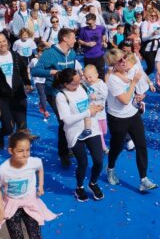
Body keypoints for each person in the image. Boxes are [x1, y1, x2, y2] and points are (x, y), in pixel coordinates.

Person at [105, 49, 158, 191]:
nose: (124, 62)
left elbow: (132, 95)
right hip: (117, 118)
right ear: (113, 65)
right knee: (116, 147)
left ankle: (143, 179)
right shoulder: (112, 79)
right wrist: (134, 83)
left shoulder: (127, 72)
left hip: (133, 114)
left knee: (141, 145)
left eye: (124, 58)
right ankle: (110, 168)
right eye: (120, 61)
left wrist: (139, 97)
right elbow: (124, 100)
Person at [0, 131, 57, 238]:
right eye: (20, 151)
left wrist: (40, 185)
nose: (25, 154)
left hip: (30, 203)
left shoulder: (34, 162)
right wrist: (1, 211)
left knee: (35, 235)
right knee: (16, 236)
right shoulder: (2, 170)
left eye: (28, 150)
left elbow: (40, 168)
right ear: (10, 151)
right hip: (11, 205)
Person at [54, 68, 105, 202]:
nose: (78, 85)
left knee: (99, 161)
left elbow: (89, 101)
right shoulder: (61, 96)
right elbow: (67, 119)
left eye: (79, 81)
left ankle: (93, 183)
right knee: (83, 163)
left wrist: (96, 105)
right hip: (75, 132)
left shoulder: (82, 87)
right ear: (65, 84)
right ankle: (79, 187)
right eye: (74, 83)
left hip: (91, 128)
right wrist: (88, 112)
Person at [31, 28, 80, 168]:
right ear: (65, 39)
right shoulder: (49, 54)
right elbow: (35, 71)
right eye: (73, 38)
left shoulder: (72, 53)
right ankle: (64, 153)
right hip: (53, 92)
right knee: (64, 121)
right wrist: (53, 72)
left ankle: (70, 146)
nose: (75, 40)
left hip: (69, 91)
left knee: (72, 121)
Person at [0, 32, 32, 148]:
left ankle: (19, 148)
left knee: (21, 125)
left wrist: (27, 83)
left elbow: (23, 70)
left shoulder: (15, 56)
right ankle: (1, 133)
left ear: (7, 41)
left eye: (4, 41)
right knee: (8, 127)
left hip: (18, 95)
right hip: (2, 98)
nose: (2, 44)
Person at [82, 65, 109, 153]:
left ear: (97, 75)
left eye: (90, 77)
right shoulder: (86, 84)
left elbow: (105, 95)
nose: (88, 79)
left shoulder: (101, 84)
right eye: (86, 77)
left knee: (104, 130)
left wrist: (96, 97)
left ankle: (100, 142)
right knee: (99, 131)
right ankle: (103, 147)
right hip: (93, 112)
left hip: (101, 112)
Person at [78, 13, 108, 79]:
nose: (89, 25)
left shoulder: (101, 28)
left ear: (95, 21)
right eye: (87, 23)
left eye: (90, 24)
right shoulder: (83, 29)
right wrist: (86, 44)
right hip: (88, 56)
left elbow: (103, 35)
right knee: (88, 75)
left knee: (101, 74)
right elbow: (79, 40)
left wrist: (103, 42)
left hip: (99, 55)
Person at [140, 8, 160, 76]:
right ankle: (143, 78)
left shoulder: (159, 22)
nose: (153, 17)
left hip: (159, 47)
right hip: (149, 49)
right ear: (148, 15)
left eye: (155, 15)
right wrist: (152, 34)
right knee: (151, 67)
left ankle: (159, 81)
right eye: (151, 15)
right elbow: (143, 38)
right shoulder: (145, 23)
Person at [29, 44, 50, 120]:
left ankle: (41, 104)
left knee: (46, 96)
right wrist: (29, 75)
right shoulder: (34, 60)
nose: (42, 54)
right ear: (37, 53)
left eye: (44, 53)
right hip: (37, 81)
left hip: (46, 80)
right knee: (43, 95)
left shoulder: (48, 61)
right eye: (41, 52)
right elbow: (29, 67)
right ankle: (45, 111)